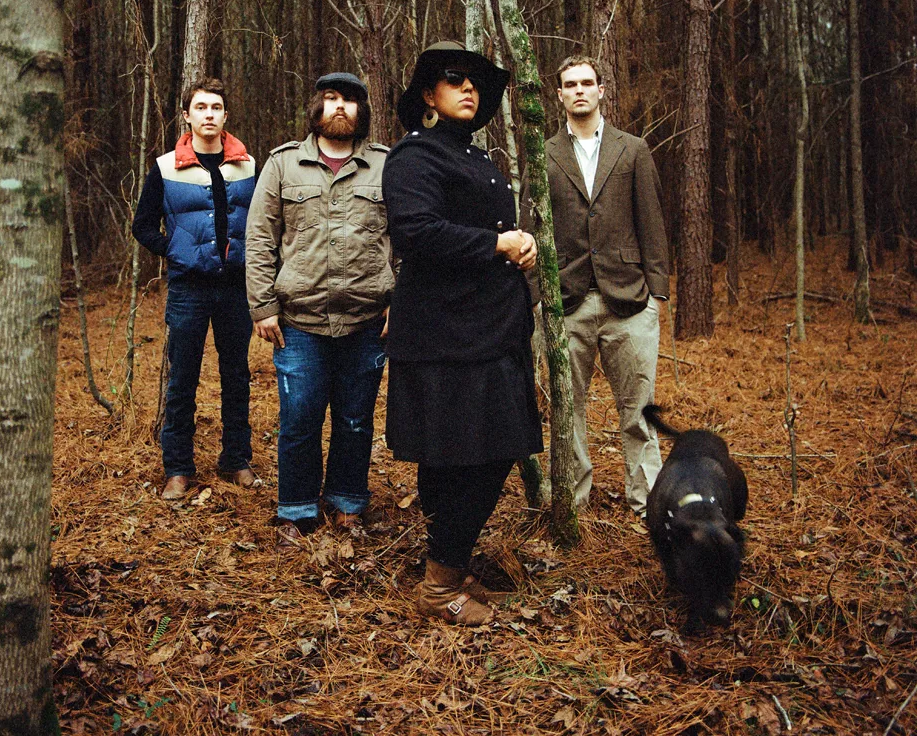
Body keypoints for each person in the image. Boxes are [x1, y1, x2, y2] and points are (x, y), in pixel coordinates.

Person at [382, 40, 542, 627]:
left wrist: (517, 245)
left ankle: (450, 563)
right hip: (445, 338)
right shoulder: (413, 157)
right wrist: (496, 244)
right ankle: (439, 583)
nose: (469, 88)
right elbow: (417, 232)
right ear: (429, 95)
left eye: (476, 80)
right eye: (455, 79)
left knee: (490, 451)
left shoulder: (477, 159)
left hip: (491, 332)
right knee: (458, 457)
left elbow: (482, 228)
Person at [245, 73, 394, 548]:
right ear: (316, 107)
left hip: (367, 319)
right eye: (331, 99)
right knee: (299, 416)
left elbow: (406, 241)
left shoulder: (386, 166)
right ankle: (296, 507)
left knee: (355, 418)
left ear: (361, 110)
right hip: (299, 320)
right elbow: (259, 236)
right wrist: (262, 306)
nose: (340, 108)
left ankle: (348, 502)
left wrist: (400, 302)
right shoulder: (284, 164)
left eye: (349, 100)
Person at [534, 56, 670, 515]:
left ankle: (648, 503)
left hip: (629, 300)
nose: (579, 91)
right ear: (558, 94)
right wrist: (537, 296)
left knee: (639, 410)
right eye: (569, 84)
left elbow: (651, 221)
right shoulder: (543, 153)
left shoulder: (631, 149)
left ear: (601, 89)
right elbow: (531, 224)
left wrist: (658, 293)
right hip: (566, 301)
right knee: (566, 411)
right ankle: (571, 504)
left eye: (587, 83)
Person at [132, 78, 258, 500]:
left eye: (216, 107)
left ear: (225, 116)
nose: (208, 114)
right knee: (183, 377)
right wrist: (175, 250)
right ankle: (178, 469)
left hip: (235, 286)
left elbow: (262, 223)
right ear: (187, 115)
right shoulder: (167, 167)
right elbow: (142, 225)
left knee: (236, 375)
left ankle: (236, 460)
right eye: (200, 107)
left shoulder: (249, 166)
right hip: (188, 286)